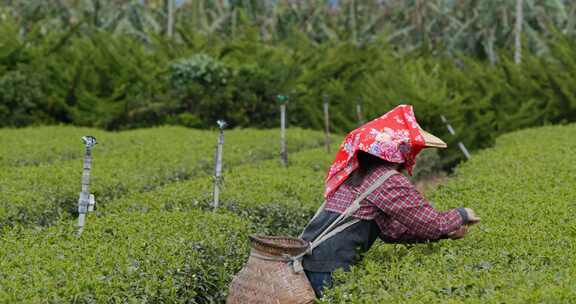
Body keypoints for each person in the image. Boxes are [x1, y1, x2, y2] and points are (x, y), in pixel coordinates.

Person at [300, 105, 480, 298]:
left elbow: (391, 231)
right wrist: (462, 214)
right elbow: (432, 224)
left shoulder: (359, 174)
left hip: (312, 261)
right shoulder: (386, 180)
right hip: (330, 268)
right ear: (398, 149)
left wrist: (447, 233)